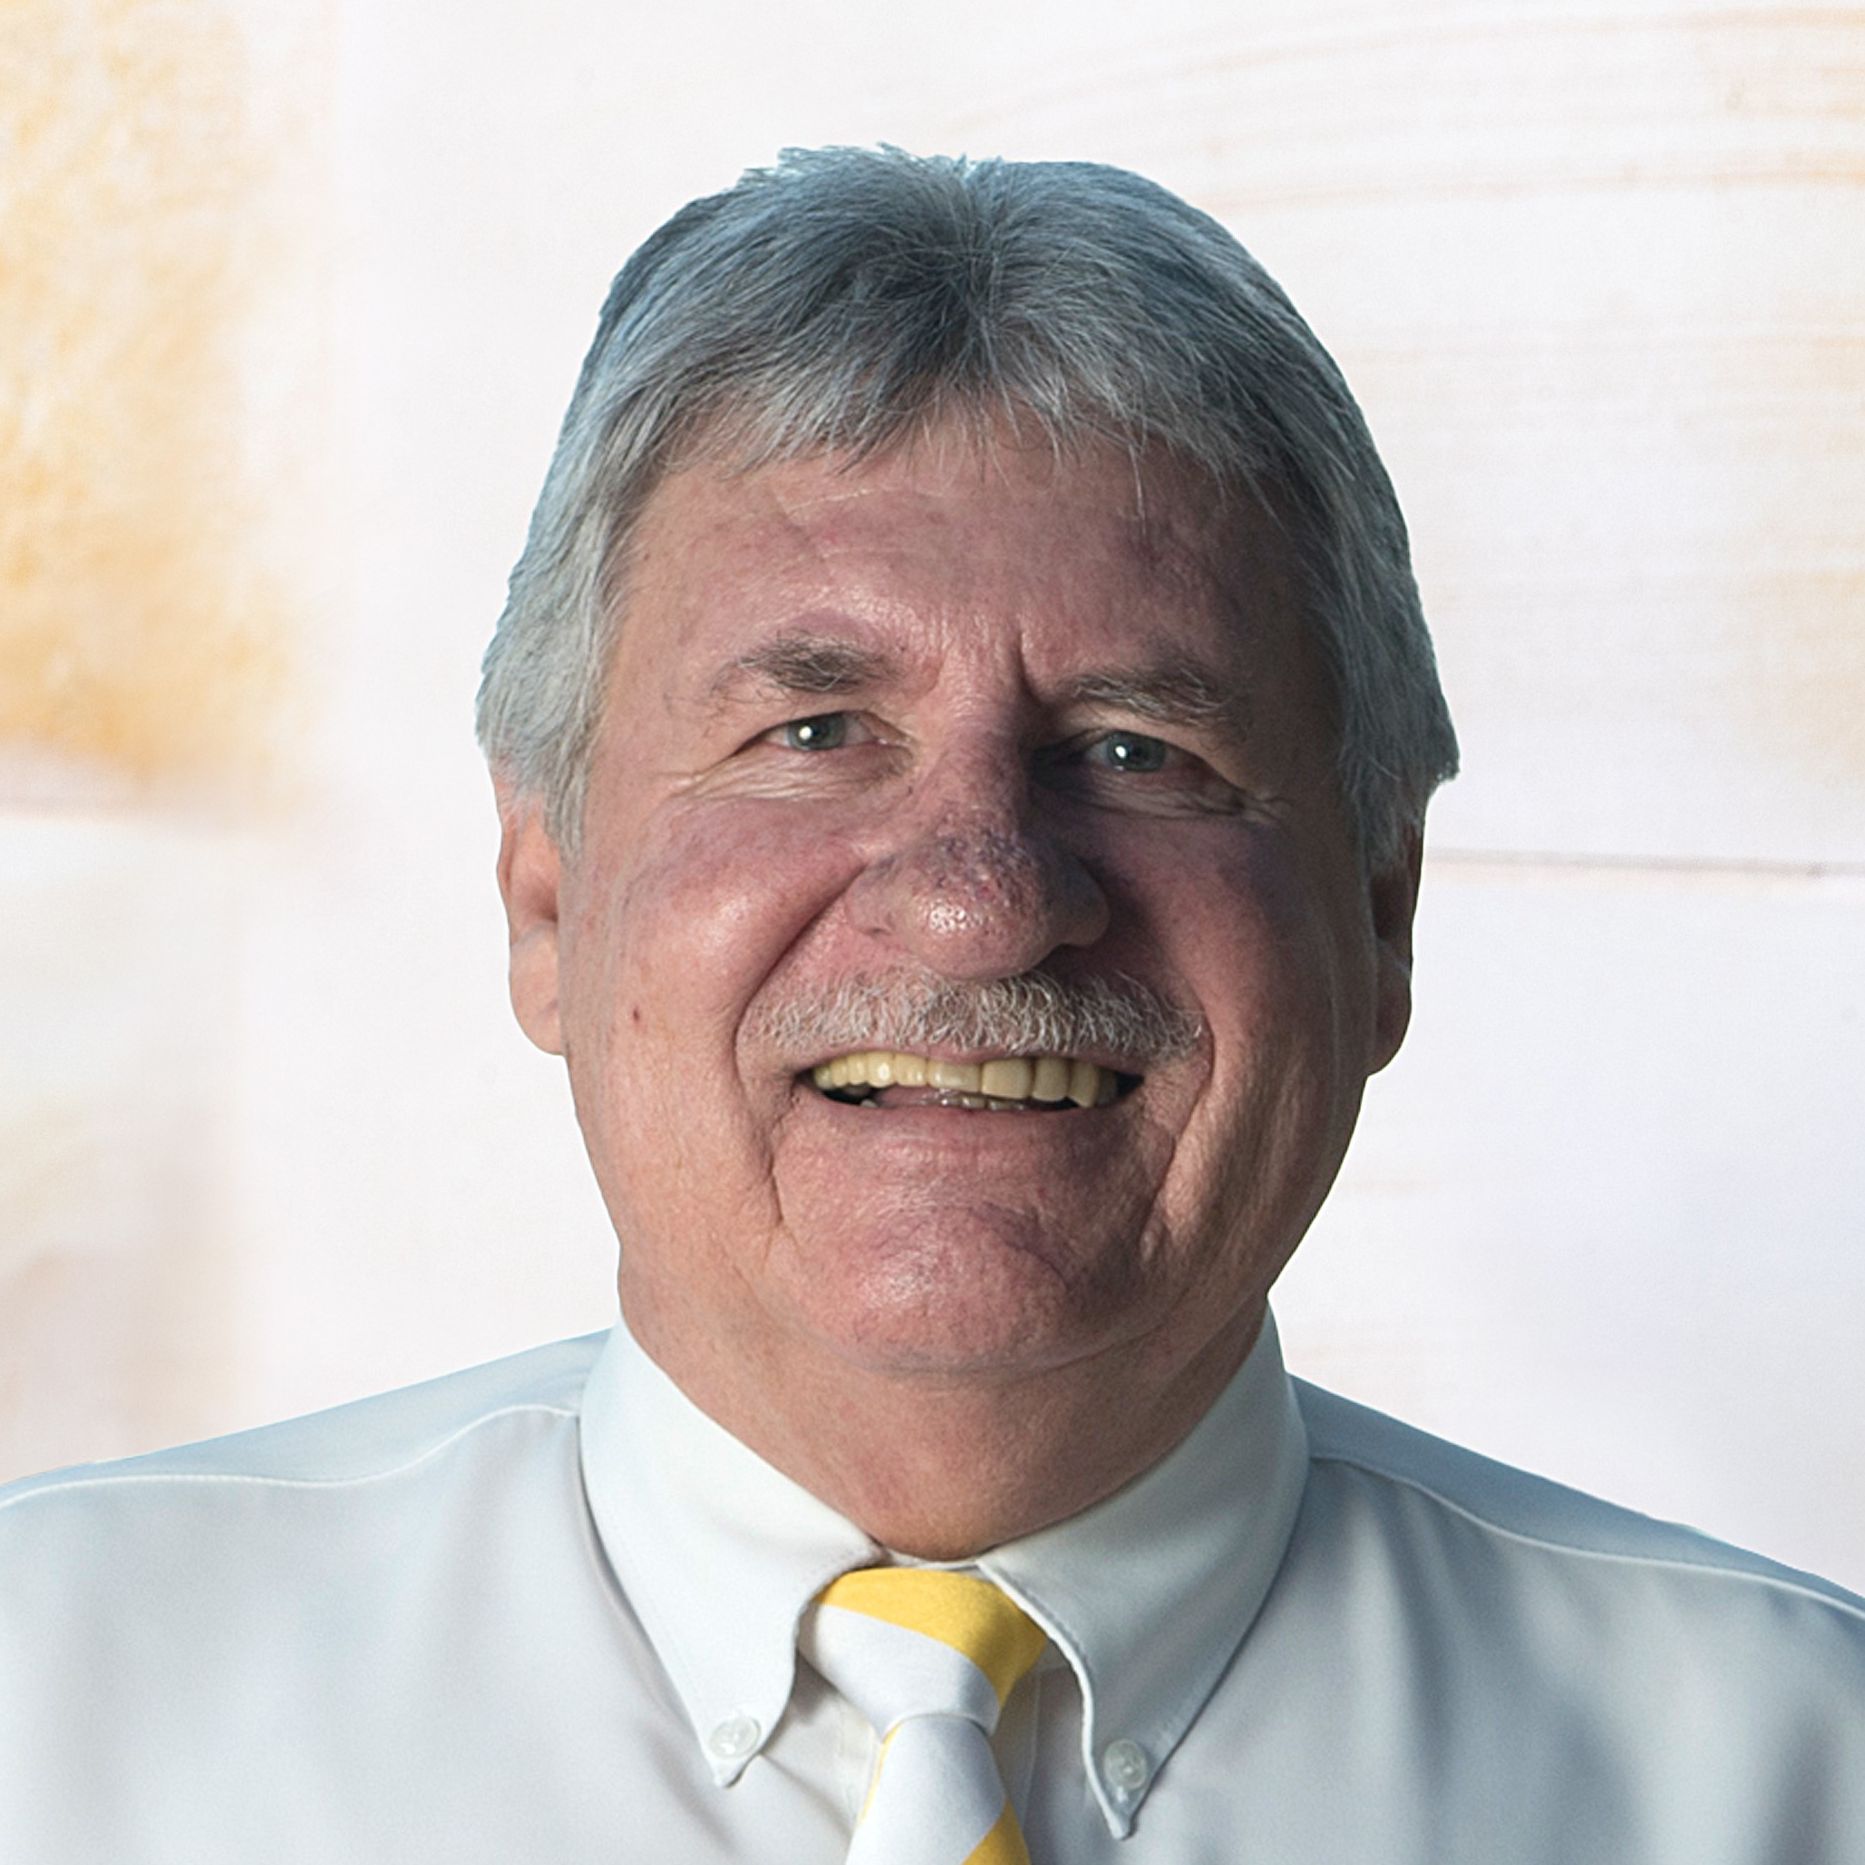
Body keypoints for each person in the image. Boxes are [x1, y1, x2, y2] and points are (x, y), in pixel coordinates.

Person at [2, 146, 1860, 1864]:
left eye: (1136, 748)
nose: (982, 903)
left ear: (1380, 909)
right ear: (545, 889)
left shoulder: (1800, 1771)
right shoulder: (52, 1707)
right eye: (813, 731)